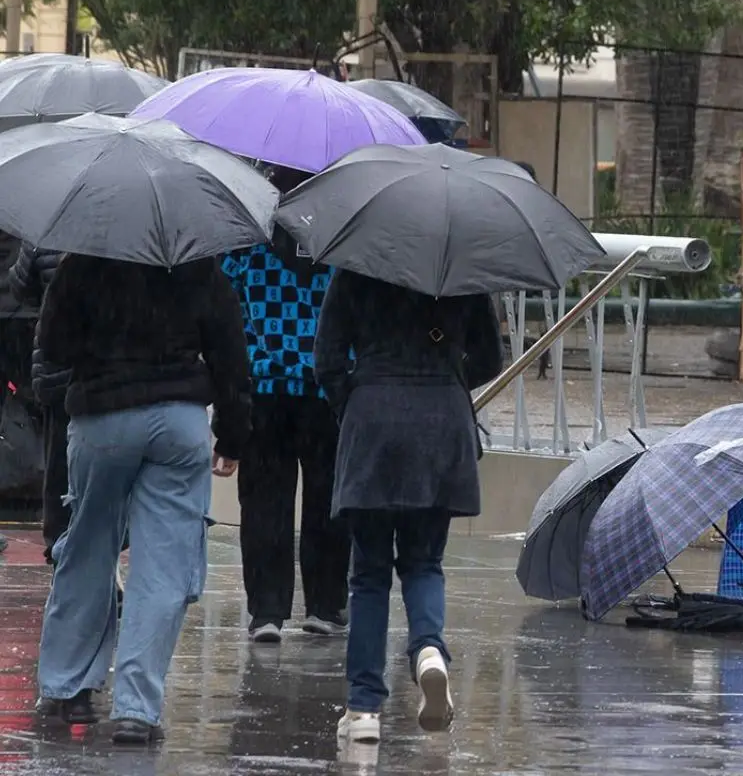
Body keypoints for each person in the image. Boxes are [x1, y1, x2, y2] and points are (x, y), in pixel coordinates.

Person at [34, 254, 250, 744]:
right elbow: (230, 354)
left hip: (102, 417)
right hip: (178, 419)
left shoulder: (85, 261)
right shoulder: (197, 263)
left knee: (88, 548)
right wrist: (234, 434)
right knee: (163, 565)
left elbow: (53, 346)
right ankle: (136, 708)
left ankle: (70, 688)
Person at [315, 270, 502, 741]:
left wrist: (355, 401)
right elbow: (489, 358)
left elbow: (327, 360)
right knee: (423, 562)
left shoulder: (358, 263)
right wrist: (444, 375)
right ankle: (428, 651)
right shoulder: (462, 268)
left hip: (373, 418)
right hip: (442, 424)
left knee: (369, 574)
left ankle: (362, 710)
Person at [222, 166, 350, 643]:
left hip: (264, 391)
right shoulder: (340, 235)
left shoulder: (251, 233)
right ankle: (325, 603)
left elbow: (227, 301)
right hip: (327, 393)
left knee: (264, 502)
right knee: (329, 502)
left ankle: (267, 610)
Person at [6, 239, 70, 564]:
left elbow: (21, 286)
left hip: (58, 364)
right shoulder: (124, 230)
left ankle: (60, 547)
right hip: (108, 373)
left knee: (59, 462)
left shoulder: (47, 227)